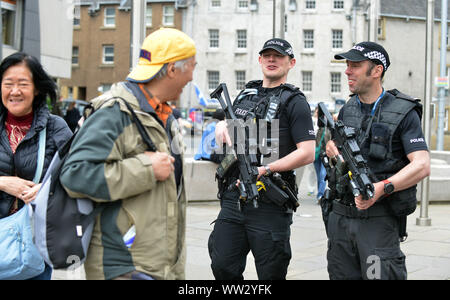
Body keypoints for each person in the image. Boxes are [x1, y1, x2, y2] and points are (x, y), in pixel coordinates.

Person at [60, 28, 196, 280]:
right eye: (192, 67)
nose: (192, 77)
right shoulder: (114, 112)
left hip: (159, 264)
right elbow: (75, 174)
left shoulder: (164, 114)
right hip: (123, 266)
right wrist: (146, 169)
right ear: (172, 70)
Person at [208, 38, 315, 280]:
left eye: (278, 56)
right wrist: (221, 127)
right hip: (234, 196)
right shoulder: (246, 93)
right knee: (222, 265)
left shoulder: (295, 101)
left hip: (269, 199)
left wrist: (266, 168)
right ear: (259, 60)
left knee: (271, 272)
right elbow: (230, 128)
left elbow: (307, 152)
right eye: (267, 55)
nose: (271, 60)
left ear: (291, 63)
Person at [325, 41, 430, 279]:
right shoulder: (348, 108)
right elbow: (338, 153)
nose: (347, 71)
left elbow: (422, 164)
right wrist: (332, 151)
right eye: (347, 64)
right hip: (341, 219)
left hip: (377, 222)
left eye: (355, 65)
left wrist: (382, 188)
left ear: (376, 70)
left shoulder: (404, 110)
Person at [0, 52, 73, 279]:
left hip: (32, 245)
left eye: (23, 84)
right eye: (8, 84)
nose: (14, 91)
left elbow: (79, 177)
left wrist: (47, 190)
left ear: (38, 89)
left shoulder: (55, 128)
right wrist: (3, 182)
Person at [313, 106, 330, 204]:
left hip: (325, 154)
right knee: (319, 175)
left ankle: (320, 195)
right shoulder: (316, 126)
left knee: (323, 174)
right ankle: (319, 194)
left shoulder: (329, 127)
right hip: (316, 154)